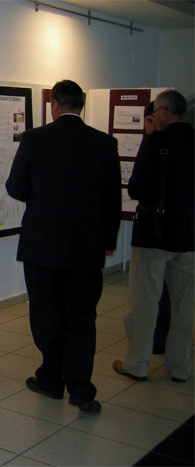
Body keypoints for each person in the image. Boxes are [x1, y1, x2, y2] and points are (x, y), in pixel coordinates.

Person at [6, 79, 121, 414]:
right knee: (81, 317)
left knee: (46, 312)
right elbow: (111, 199)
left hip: (42, 245)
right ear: (81, 105)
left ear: (53, 104)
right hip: (87, 247)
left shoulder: (34, 139)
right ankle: (81, 390)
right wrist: (108, 241)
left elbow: (15, 186)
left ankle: (51, 380)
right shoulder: (104, 143)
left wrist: (42, 199)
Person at [113, 89, 194, 383]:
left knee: (145, 303)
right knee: (185, 307)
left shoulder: (155, 142)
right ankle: (179, 366)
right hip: (190, 235)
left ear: (162, 112)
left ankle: (138, 364)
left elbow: (136, 188)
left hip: (153, 236)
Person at [142, 101, 171, 355]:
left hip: (157, 230)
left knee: (156, 291)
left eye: (153, 120)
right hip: (179, 231)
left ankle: (156, 340)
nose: (149, 127)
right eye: (147, 121)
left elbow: (137, 187)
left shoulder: (153, 146)